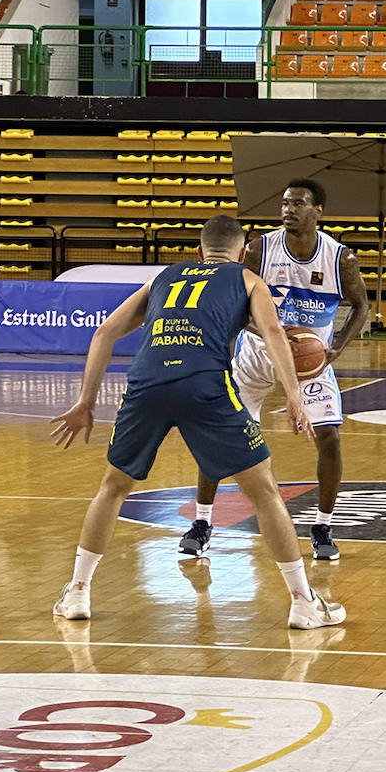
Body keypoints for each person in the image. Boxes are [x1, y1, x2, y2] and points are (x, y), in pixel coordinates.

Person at [50, 214, 346, 630]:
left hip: (147, 381)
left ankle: (78, 593)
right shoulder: (248, 279)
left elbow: (104, 332)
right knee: (263, 491)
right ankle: (302, 601)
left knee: (113, 488)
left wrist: (85, 402)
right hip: (205, 383)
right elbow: (275, 334)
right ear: (243, 253)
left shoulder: (165, 278)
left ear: (198, 251)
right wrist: (294, 395)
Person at [184, 178, 370, 563]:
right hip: (255, 355)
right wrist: (265, 330)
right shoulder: (259, 250)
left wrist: (336, 348)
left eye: (299, 203)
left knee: (330, 437)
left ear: (318, 211)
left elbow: (361, 306)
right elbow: (235, 301)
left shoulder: (340, 259)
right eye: (285, 203)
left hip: (308, 362)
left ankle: (322, 526)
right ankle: (202, 522)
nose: (289, 210)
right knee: (219, 435)